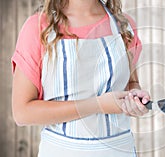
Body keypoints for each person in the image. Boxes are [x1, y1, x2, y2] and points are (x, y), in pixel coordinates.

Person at [11, 0, 150, 156]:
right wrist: (97, 105)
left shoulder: (124, 27)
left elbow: (131, 83)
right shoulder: (38, 27)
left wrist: (135, 98)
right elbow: (22, 113)